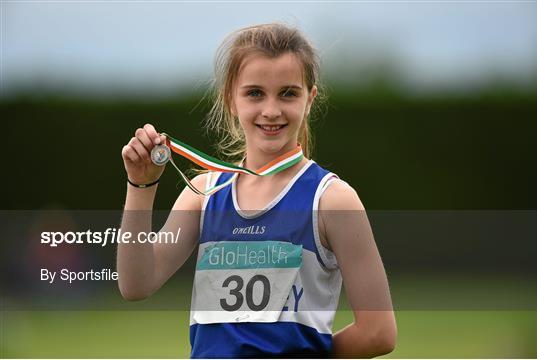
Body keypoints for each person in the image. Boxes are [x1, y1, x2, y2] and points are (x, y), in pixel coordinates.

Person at [117, 23, 397, 358]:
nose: (271, 110)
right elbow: (135, 284)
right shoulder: (204, 194)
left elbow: (378, 332)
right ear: (231, 100)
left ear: (310, 99)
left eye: (288, 93)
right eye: (254, 93)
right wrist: (141, 185)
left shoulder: (331, 199)